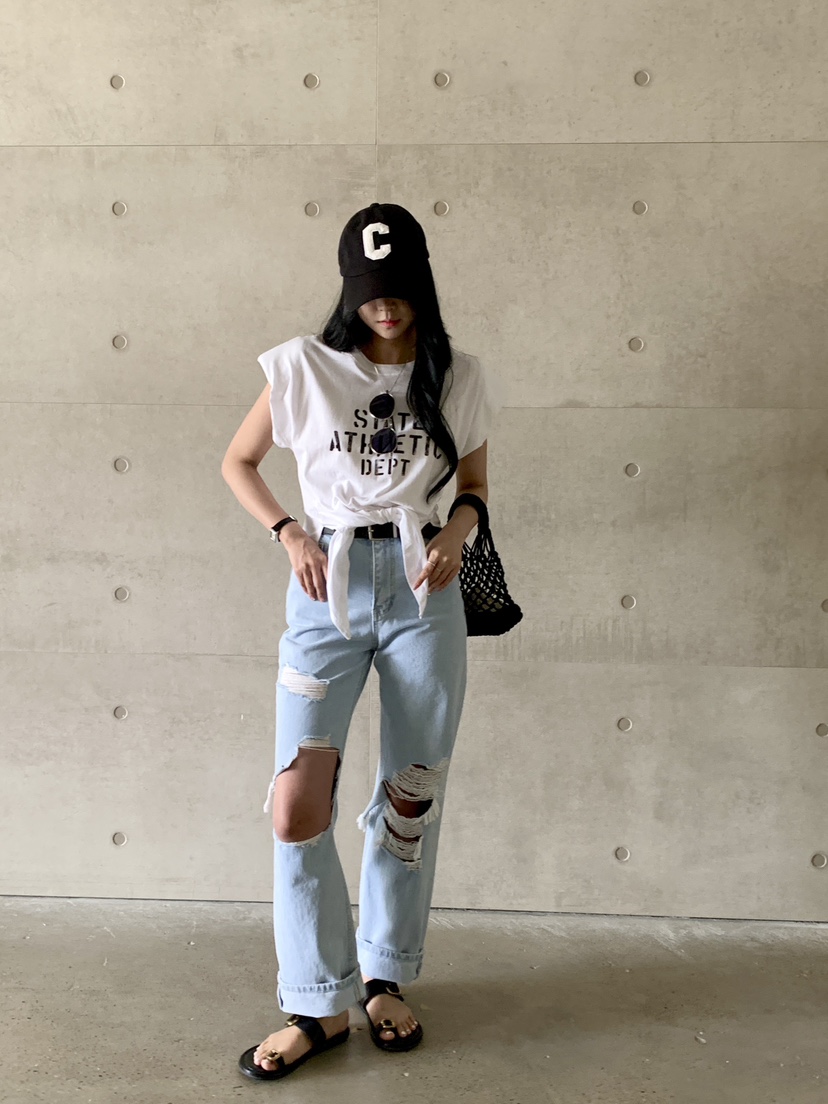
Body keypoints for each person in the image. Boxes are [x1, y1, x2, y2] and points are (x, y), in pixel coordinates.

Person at [221, 202, 497, 1081]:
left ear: (422, 283)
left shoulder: (456, 374)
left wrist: (457, 533)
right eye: (369, 290)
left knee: (409, 798)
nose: (384, 304)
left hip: (423, 590)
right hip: (326, 590)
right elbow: (237, 461)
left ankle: (384, 976)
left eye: (399, 287)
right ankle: (316, 1000)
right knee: (296, 802)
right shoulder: (304, 367)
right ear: (349, 290)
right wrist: (289, 533)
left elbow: (475, 485)